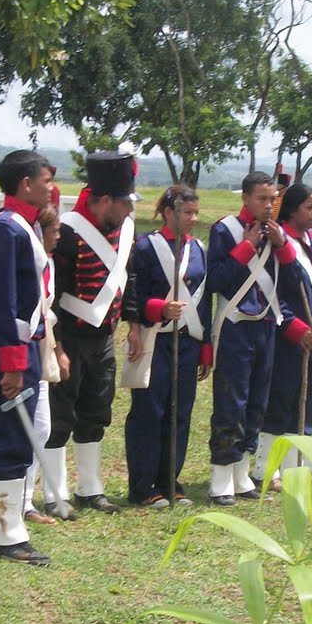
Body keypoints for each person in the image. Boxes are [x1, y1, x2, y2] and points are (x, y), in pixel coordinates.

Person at [0, 149, 54, 565]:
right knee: (9, 435)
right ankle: (9, 533)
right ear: (25, 184)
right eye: (45, 180)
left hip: (11, 343)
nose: (51, 188)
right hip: (9, 346)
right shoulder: (8, 229)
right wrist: (14, 362)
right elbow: (0, 300)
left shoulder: (22, 226)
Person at [41, 148, 139, 515]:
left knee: (96, 411)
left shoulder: (124, 228)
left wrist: (131, 323)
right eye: (125, 203)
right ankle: (55, 493)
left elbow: (128, 279)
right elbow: (53, 293)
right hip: (70, 336)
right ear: (105, 200)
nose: (130, 211)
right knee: (60, 414)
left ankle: (90, 487)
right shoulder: (67, 231)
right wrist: (59, 348)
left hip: (103, 337)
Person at [205, 171, 293, 505]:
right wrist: (245, 248)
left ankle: (242, 473)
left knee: (257, 402)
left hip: (266, 324)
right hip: (234, 325)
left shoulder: (276, 233)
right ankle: (221, 476)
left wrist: (281, 245)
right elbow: (216, 280)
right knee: (232, 401)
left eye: (272, 199)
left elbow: (290, 278)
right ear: (245, 198)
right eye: (262, 199)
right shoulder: (225, 230)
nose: (269, 206)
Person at [123, 185, 209, 507]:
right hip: (155, 339)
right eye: (187, 212)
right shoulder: (146, 247)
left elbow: (204, 302)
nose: (193, 219)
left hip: (188, 341)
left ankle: (170, 479)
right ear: (169, 213)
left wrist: (205, 347)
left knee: (180, 413)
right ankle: (144, 486)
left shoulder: (198, 249)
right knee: (149, 412)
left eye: (196, 213)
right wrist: (157, 308)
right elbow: (133, 291)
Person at [258, 182, 312, 479]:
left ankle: (294, 466)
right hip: (286, 335)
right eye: (309, 207)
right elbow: (272, 293)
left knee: (309, 399)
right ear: (292, 210)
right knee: (281, 400)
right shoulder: (277, 243)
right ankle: (266, 469)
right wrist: (294, 327)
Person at [21, 204, 67, 526]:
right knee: (23, 427)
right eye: (54, 231)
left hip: (40, 349)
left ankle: (25, 500)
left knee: (41, 427)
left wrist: (57, 349)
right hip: (21, 350)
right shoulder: (28, 263)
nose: (59, 237)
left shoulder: (47, 263)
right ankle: (10, 500)